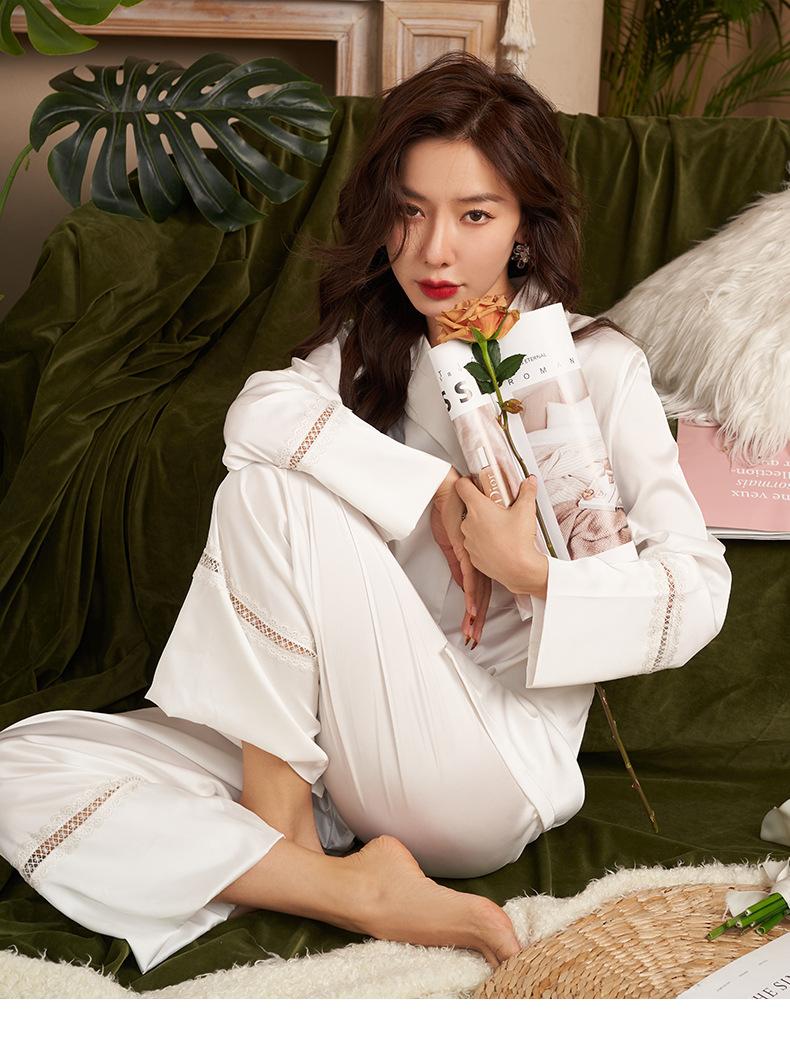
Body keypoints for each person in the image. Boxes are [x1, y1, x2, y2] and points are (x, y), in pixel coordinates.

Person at [0, 51, 731, 977]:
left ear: (524, 227)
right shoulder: (367, 352)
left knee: (272, 486)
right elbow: (257, 412)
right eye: (410, 211)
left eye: (475, 215)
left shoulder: (597, 366)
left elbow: (700, 589)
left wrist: (531, 573)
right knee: (21, 764)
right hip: (336, 753)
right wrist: (433, 491)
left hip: (481, 771)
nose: (434, 250)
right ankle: (336, 882)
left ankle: (278, 829)